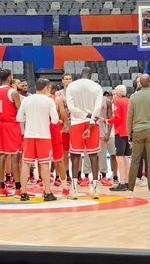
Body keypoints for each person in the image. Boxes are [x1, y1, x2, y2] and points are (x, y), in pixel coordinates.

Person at [16, 78, 59, 202]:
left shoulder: (27, 100)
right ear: (46, 87)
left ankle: (23, 193)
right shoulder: (49, 100)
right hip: (44, 136)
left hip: (29, 135)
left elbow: (19, 118)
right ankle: (47, 192)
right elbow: (55, 120)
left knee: (26, 163)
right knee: (44, 164)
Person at [66, 67, 103, 199]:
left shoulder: (71, 86)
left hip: (76, 123)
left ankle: (74, 190)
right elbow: (98, 107)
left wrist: (84, 114)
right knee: (94, 156)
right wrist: (91, 119)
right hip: (92, 123)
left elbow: (71, 108)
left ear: (80, 75)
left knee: (75, 156)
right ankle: (95, 190)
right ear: (91, 75)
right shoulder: (96, 86)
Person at [126, 74, 150, 200]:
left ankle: (130, 191)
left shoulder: (133, 97)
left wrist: (129, 134)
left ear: (140, 83)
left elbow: (129, 117)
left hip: (137, 131)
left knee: (135, 161)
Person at [0, 69, 23, 197]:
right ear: (10, 77)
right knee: (15, 156)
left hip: (1, 125)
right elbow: (20, 109)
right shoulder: (12, 92)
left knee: (3, 156)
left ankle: (1, 187)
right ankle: (18, 188)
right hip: (11, 125)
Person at [82, 91, 116, 186]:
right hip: (88, 132)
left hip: (101, 132)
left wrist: (108, 133)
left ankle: (104, 176)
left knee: (102, 156)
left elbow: (110, 118)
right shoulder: (85, 100)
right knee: (87, 154)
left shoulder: (106, 101)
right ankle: (86, 176)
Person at [109, 85, 131, 192]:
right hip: (128, 132)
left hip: (120, 132)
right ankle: (127, 182)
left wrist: (106, 120)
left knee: (119, 157)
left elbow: (117, 118)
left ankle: (122, 182)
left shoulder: (118, 102)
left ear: (117, 94)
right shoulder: (129, 101)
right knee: (126, 157)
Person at [55, 73, 73, 184]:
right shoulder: (58, 94)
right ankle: (63, 174)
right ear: (62, 81)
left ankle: (78, 174)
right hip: (64, 126)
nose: (68, 81)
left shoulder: (76, 93)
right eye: (66, 79)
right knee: (64, 152)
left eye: (70, 79)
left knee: (75, 152)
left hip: (75, 124)